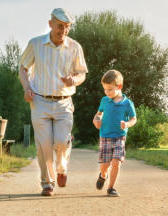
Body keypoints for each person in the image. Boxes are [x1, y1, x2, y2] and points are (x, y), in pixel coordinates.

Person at [19, 8, 88, 196]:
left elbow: (82, 73)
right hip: (40, 101)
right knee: (44, 145)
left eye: (67, 27)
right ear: (50, 24)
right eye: (60, 26)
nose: (63, 31)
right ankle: (47, 183)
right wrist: (27, 88)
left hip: (64, 102)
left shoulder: (75, 47)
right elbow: (23, 68)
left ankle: (62, 168)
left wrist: (74, 80)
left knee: (62, 142)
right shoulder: (35, 44)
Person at [92, 69, 137, 197]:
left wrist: (127, 124)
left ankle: (111, 188)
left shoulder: (127, 103)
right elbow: (98, 114)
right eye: (105, 89)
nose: (107, 92)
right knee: (104, 165)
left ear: (119, 86)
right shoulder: (104, 100)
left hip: (120, 136)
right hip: (105, 136)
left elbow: (134, 119)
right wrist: (96, 120)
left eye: (110, 89)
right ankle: (103, 175)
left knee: (116, 162)